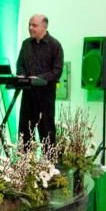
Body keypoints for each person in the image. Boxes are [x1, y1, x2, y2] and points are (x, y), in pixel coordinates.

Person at [16, 14, 63, 146]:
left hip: (45, 97)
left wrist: (39, 78)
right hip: (28, 95)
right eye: (29, 25)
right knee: (24, 132)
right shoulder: (26, 44)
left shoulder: (55, 45)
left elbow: (57, 71)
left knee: (46, 133)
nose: (30, 28)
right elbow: (20, 64)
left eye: (34, 25)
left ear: (44, 27)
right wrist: (22, 75)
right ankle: (24, 158)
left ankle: (49, 159)